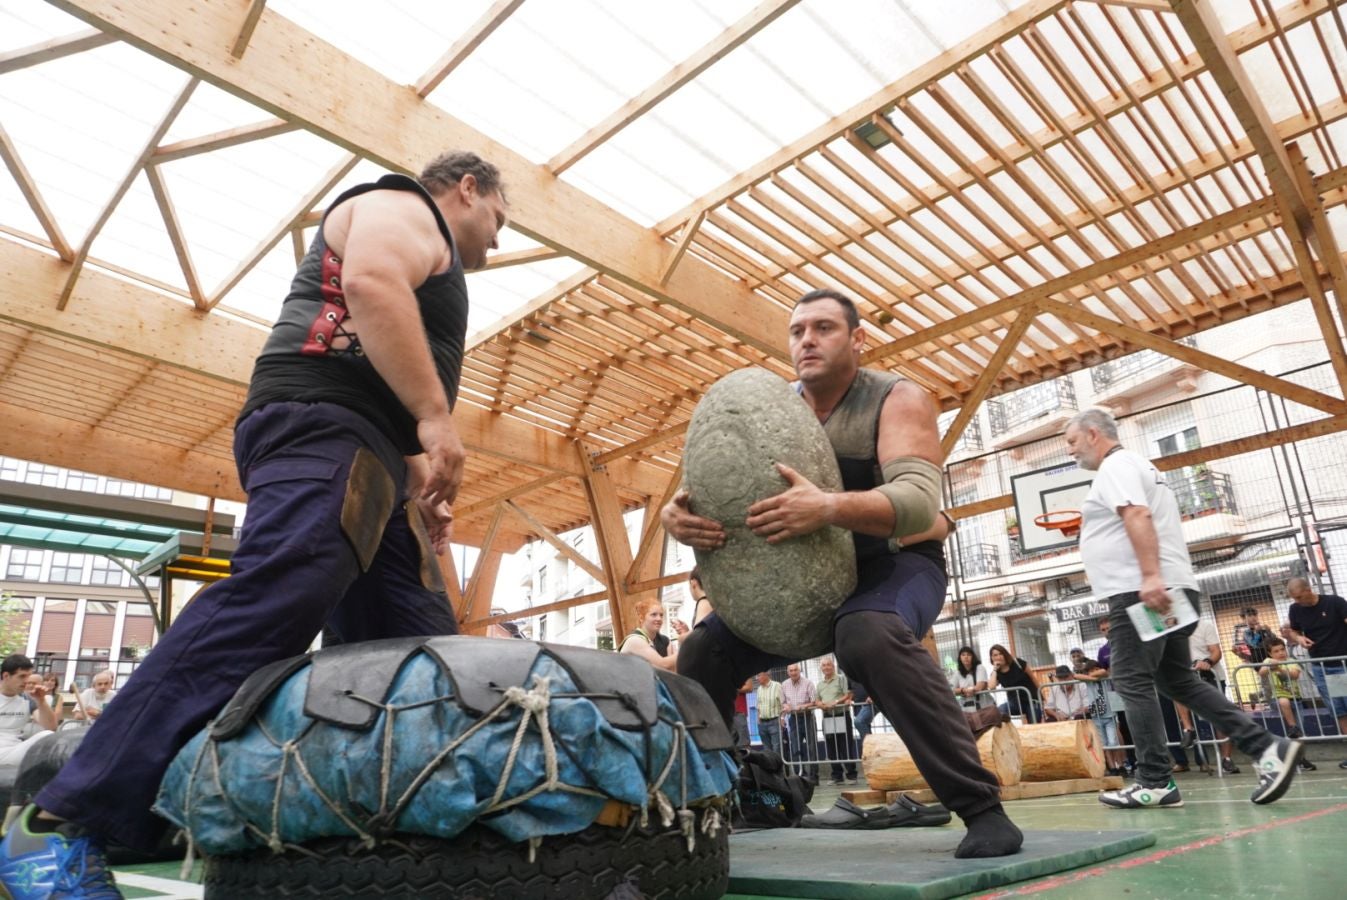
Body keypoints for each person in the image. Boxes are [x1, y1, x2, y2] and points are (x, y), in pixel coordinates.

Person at [0, 151, 509, 896]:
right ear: (467, 188)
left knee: (409, 648)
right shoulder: (404, 207)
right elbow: (368, 283)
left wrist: (417, 487)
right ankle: (60, 823)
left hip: (370, 456)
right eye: (498, 220)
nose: (496, 242)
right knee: (276, 595)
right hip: (322, 425)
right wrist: (435, 418)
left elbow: (382, 374)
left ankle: (363, 844)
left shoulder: (431, 246)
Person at [664, 288, 1022, 858]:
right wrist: (676, 519)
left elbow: (919, 505)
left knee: (867, 634)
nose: (807, 339)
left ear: (858, 339)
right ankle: (701, 812)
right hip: (800, 578)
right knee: (704, 652)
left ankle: (982, 808)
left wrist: (827, 507)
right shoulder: (768, 408)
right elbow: (713, 496)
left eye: (824, 328)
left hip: (896, 564)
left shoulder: (896, 398)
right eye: (798, 330)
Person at [1065, 408, 1302, 809]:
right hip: (1167, 587)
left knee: (1130, 679)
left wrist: (1150, 576)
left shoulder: (1116, 466)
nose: (1070, 451)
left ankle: (1155, 780)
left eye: (1071, 442)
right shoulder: (1139, 465)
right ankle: (1266, 746)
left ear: (1092, 434)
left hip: (1142, 590)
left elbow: (1136, 514)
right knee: (1177, 680)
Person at [1286, 577, 1347, 768]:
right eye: (1293, 598)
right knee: (1340, 711)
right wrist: (1299, 638)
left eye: (1298, 596)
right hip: (1322, 667)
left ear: (1308, 589)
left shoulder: (1335, 602)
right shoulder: (1295, 610)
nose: (1297, 601)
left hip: (1343, 663)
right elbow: (1293, 632)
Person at [1172, 617, 1239, 774]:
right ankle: (1188, 729)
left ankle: (1226, 759)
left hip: (1209, 675)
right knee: (1176, 692)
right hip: (1187, 674)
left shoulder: (1204, 625)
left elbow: (1216, 651)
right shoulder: (1171, 631)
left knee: (1220, 717)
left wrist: (1207, 662)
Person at [1258, 638, 1317, 771]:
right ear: (1270, 654)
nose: (1280, 653)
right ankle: (1292, 726)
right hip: (1278, 697)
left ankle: (1300, 758)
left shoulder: (1290, 661)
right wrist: (1269, 667)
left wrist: (1279, 668)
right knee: (1284, 701)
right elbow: (1261, 672)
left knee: (1300, 733)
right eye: (1276, 651)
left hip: (1296, 698)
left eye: (1282, 649)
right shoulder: (1268, 661)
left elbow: (1295, 675)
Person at [0, 655, 57, 771]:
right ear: (6, 676)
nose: (27, 681)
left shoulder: (27, 699)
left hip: (14, 750)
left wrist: (41, 701)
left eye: (29, 676)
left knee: (47, 735)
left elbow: (51, 727)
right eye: (22, 676)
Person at [816, 657, 857, 784]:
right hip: (827, 717)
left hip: (841, 715)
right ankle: (837, 776)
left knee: (845, 745)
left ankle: (851, 775)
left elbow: (848, 695)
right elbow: (817, 699)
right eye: (824, 665)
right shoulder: (820, 684)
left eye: (828, 665)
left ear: (833, 666)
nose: (826, 667)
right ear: (821, 668)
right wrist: (821, 704)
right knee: (831, 748)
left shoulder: (841, 678)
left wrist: (836, 702)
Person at [618, 598, 687, 672]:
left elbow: (671, 671)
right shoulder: (635, 640)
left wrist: (683, 635)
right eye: (653, 615)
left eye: (661, 615)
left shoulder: (660, 641)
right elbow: (663, 665)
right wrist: (687, 645)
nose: (659, 618)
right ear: (641, 618)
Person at [780, 663, 820, 785]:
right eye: (791, 670)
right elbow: (783, 702)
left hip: (807, 717)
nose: (793, 672)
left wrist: (802, 706)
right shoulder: (784, 685)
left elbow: (814, 702)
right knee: (795, 747)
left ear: (799, 670)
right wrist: (785, 708)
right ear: (788, 672)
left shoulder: (808, 683)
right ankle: (800, 775)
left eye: (795, 670)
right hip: (793, 718)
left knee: (811, 747)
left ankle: (814, 776)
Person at [987, 645, 1039, 724]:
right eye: (995, 655)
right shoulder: (996, 672)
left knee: (1034, 724)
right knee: (1000, 710)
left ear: (1005, 654)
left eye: (1001, 654)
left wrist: (1042, 698)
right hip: (1015, 703)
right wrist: (994, 670)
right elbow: (991, 687)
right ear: (992, 658)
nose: (998, 657)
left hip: (1031, 700)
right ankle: (1008, 731)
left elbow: (1033, 678)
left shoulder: (1017, 663)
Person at [754, 672, 784, 756]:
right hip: (762, 724)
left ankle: (779, 769)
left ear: (766, 675)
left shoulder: (777, 685)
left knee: (777, 748)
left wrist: (782, 718)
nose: (757, 678)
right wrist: (758, 720)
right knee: (766, 749)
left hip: (774, 721)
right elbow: (758, 705)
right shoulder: (759, 688)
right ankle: (771, 769)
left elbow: (783, 704)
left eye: (759, 675)